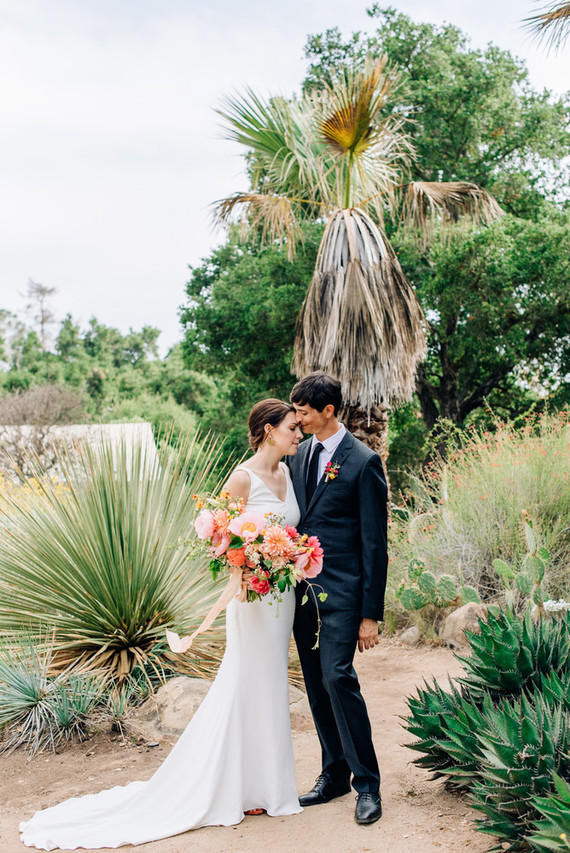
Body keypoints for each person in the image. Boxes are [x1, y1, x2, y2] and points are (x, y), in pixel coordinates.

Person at [20, 399, 304, 850]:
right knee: (245, 681)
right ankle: (234, 787)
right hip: (249, 598)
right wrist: (246, 562)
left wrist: (287, 555)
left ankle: (267, 788)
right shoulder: (242, 477)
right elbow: (218, 541)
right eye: (292, 427)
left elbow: (287, 532)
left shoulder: (290, 475)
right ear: (269, 430)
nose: (299, 433)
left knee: (268, 684)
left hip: (281, 595)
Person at [288, 371, 388, 826]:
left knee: (337, 677)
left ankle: (367, 785)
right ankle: (333, 773)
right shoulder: (300, 454)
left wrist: (371, 614)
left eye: (305, 410)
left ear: (328, 410)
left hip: (345, 594)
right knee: (315, 683)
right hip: (301, 594)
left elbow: (375, 544)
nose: (299, 417)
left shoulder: (363, 462)